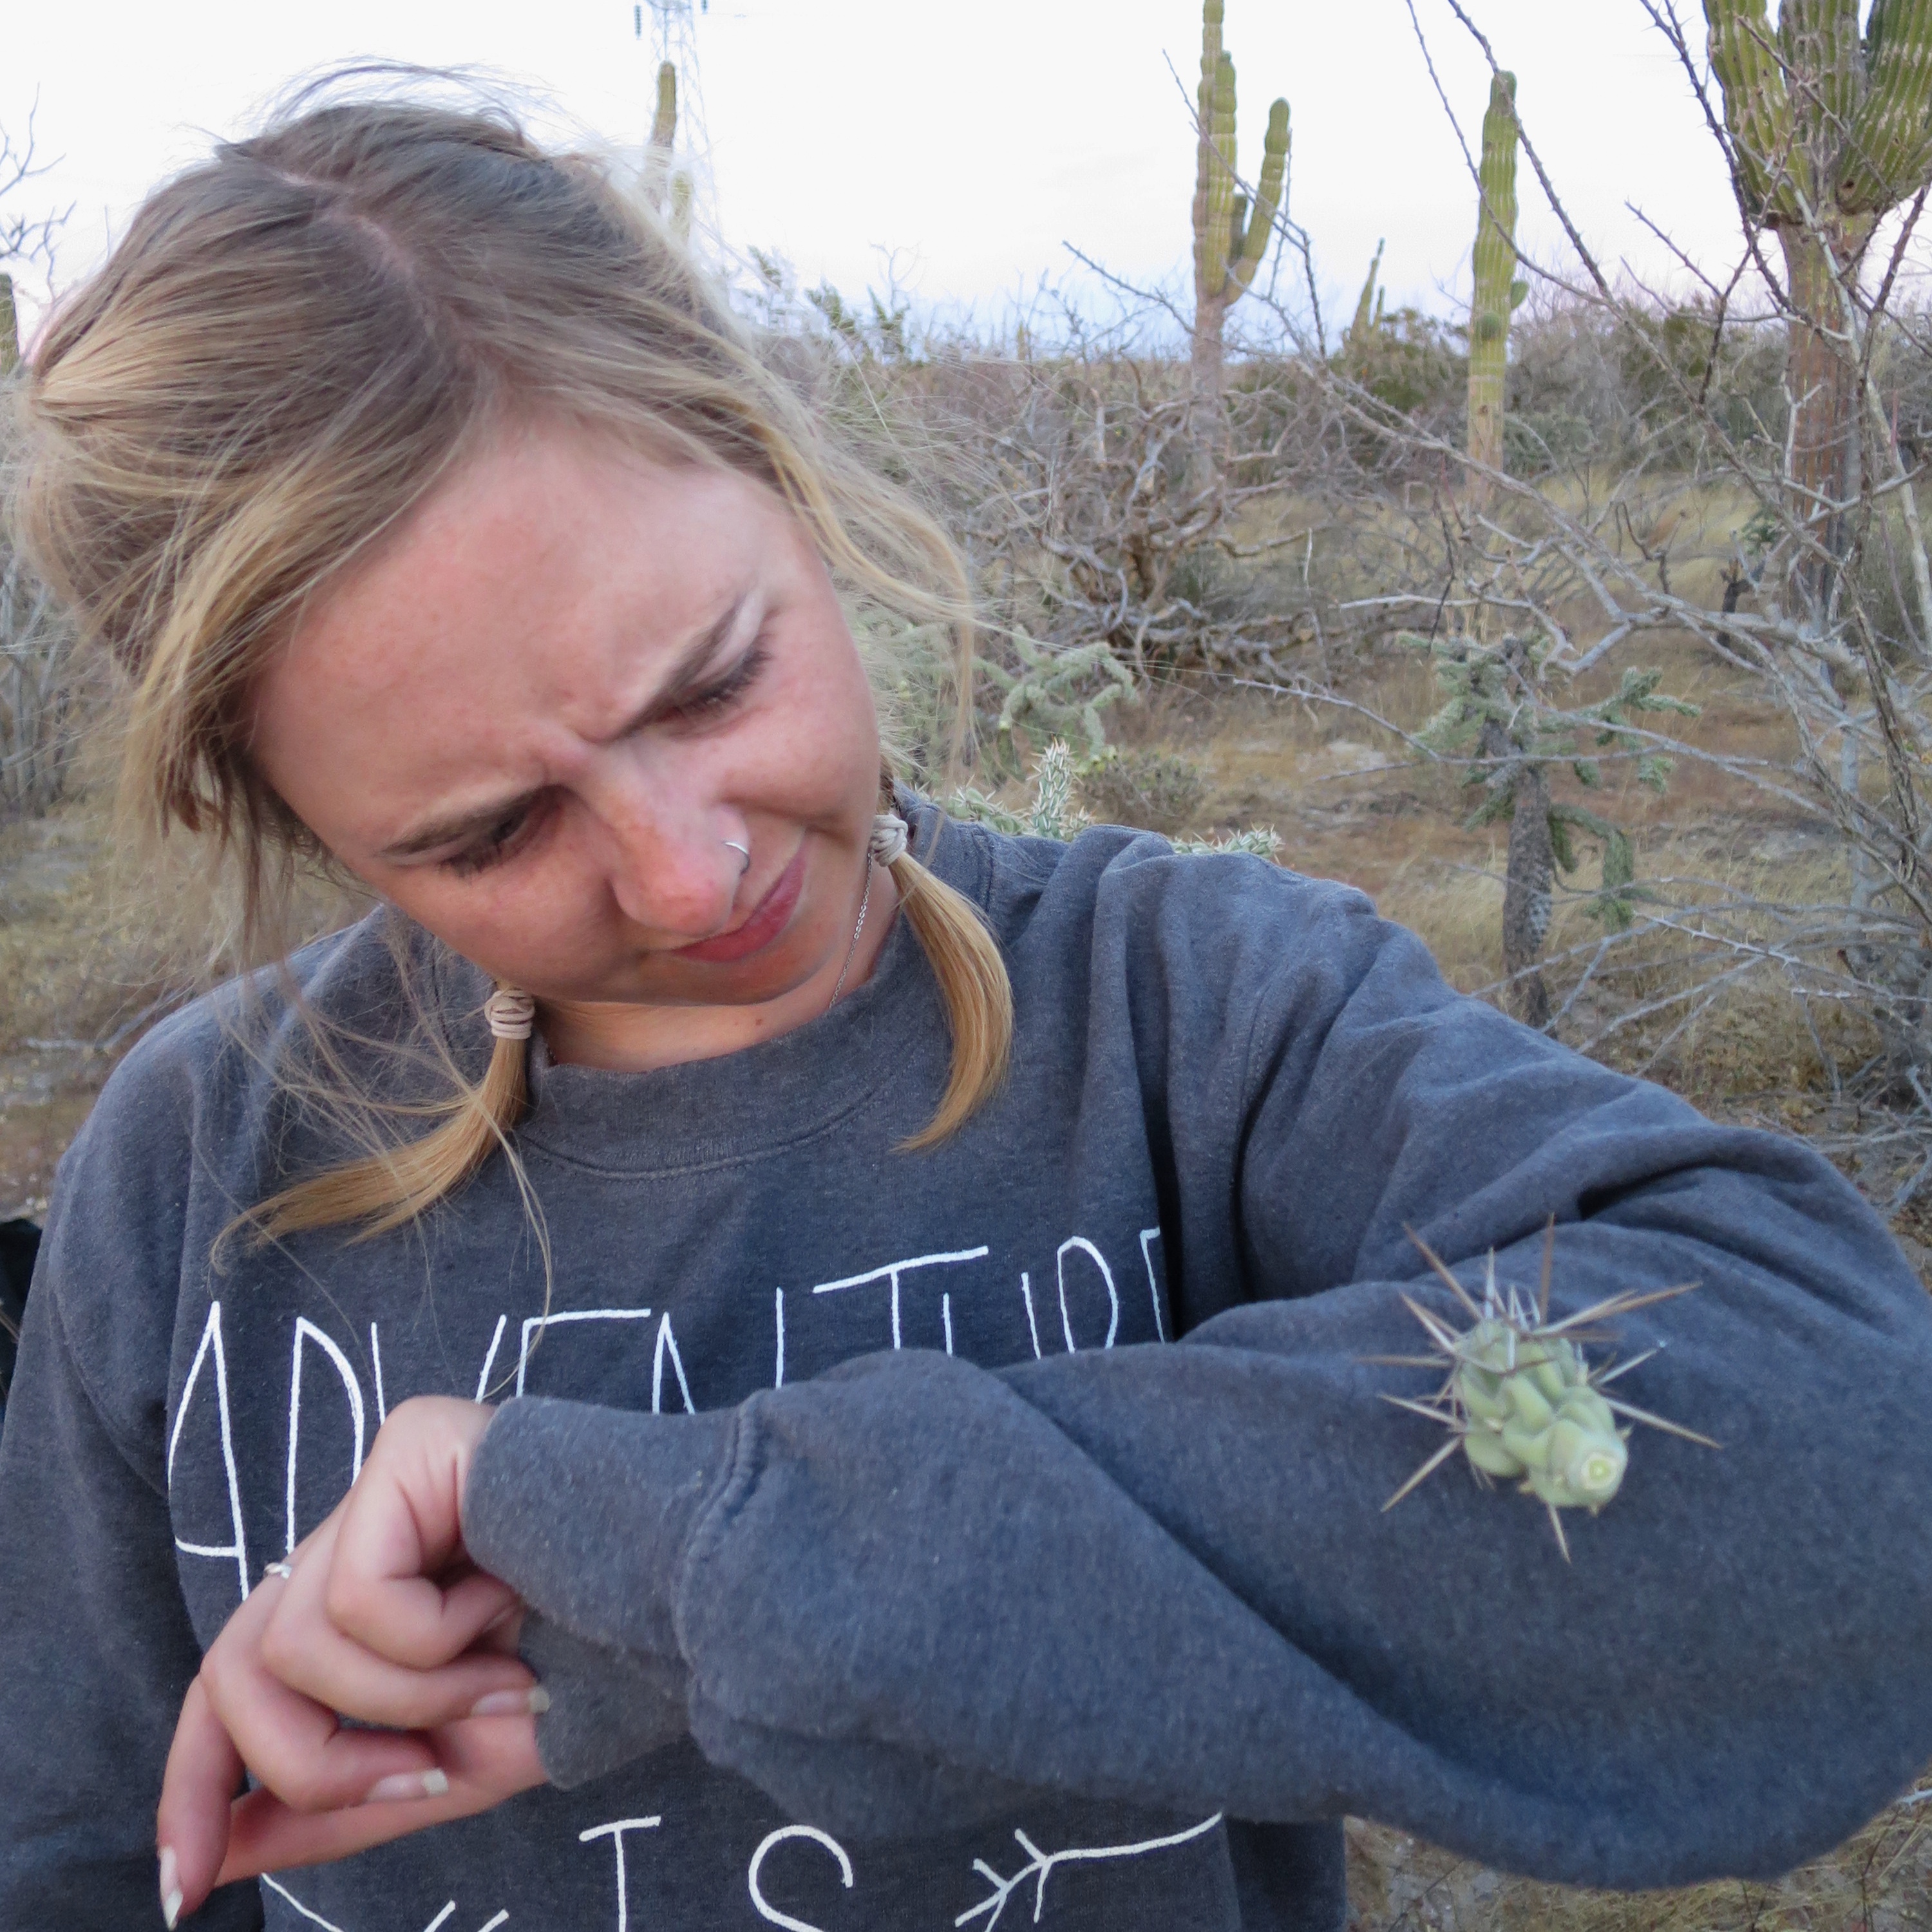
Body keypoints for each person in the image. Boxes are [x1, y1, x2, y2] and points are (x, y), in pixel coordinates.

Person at [1, 88, 1929, 1932]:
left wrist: (662, 1556)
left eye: (715, 681)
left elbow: (1857, 1473)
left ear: (784, 481)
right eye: (491, 832)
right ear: (290, 819)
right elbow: (80, 1853)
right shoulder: (187, 1176)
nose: (690, 878)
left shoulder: (1197, 1018)